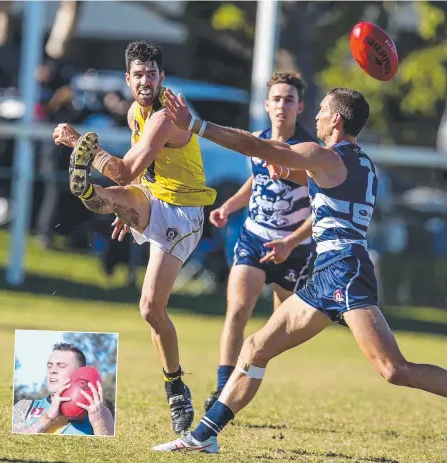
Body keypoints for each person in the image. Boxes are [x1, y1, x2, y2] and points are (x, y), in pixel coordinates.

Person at [152, 87, 447, 453]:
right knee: (256, 346)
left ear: (336, 120)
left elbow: (262, 150)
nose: (317, 117)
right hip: (326, 273)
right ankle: (203, 437)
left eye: (322, 111)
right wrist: (285, 170)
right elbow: (306, 177)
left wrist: (196, 125)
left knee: (394, 370)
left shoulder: (323, 155)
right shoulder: (360, 163)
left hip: (345, 271)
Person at [52, 41, 216, 433]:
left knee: (150, 310)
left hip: (184, 212)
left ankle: (176, 386)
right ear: (128, 79)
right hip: (155, 198)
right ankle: (94, 196)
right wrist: (130, 209)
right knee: (109, 196)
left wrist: (80, 144)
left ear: (162, 77)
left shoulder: (164, 116)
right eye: (138, 75)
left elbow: (123, 170)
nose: (145, 81)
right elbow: (138, 173)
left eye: (151, 74)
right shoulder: (134, 113)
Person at [204, 71, 315, 411]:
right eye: (277, 99)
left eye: (289, 100)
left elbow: (320, 210)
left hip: (294, 251)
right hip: (255, 239)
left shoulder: (310, 152)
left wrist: (291, 242)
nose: (282, 105)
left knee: (278, 332)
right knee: (237, 310)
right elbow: (255, 181)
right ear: (267, 105)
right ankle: (224, 389)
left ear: (300, 107)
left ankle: (249, 378)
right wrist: (228, 206)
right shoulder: (256, 140)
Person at [12, 343, 114, 436]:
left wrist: (98, 424)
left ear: (78, 373)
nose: (52, 371)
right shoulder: (24, 407)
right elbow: (9, 446)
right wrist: (47, 418)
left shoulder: (102, 414)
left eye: (61, 366)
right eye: (49, 366)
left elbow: (109, 453)